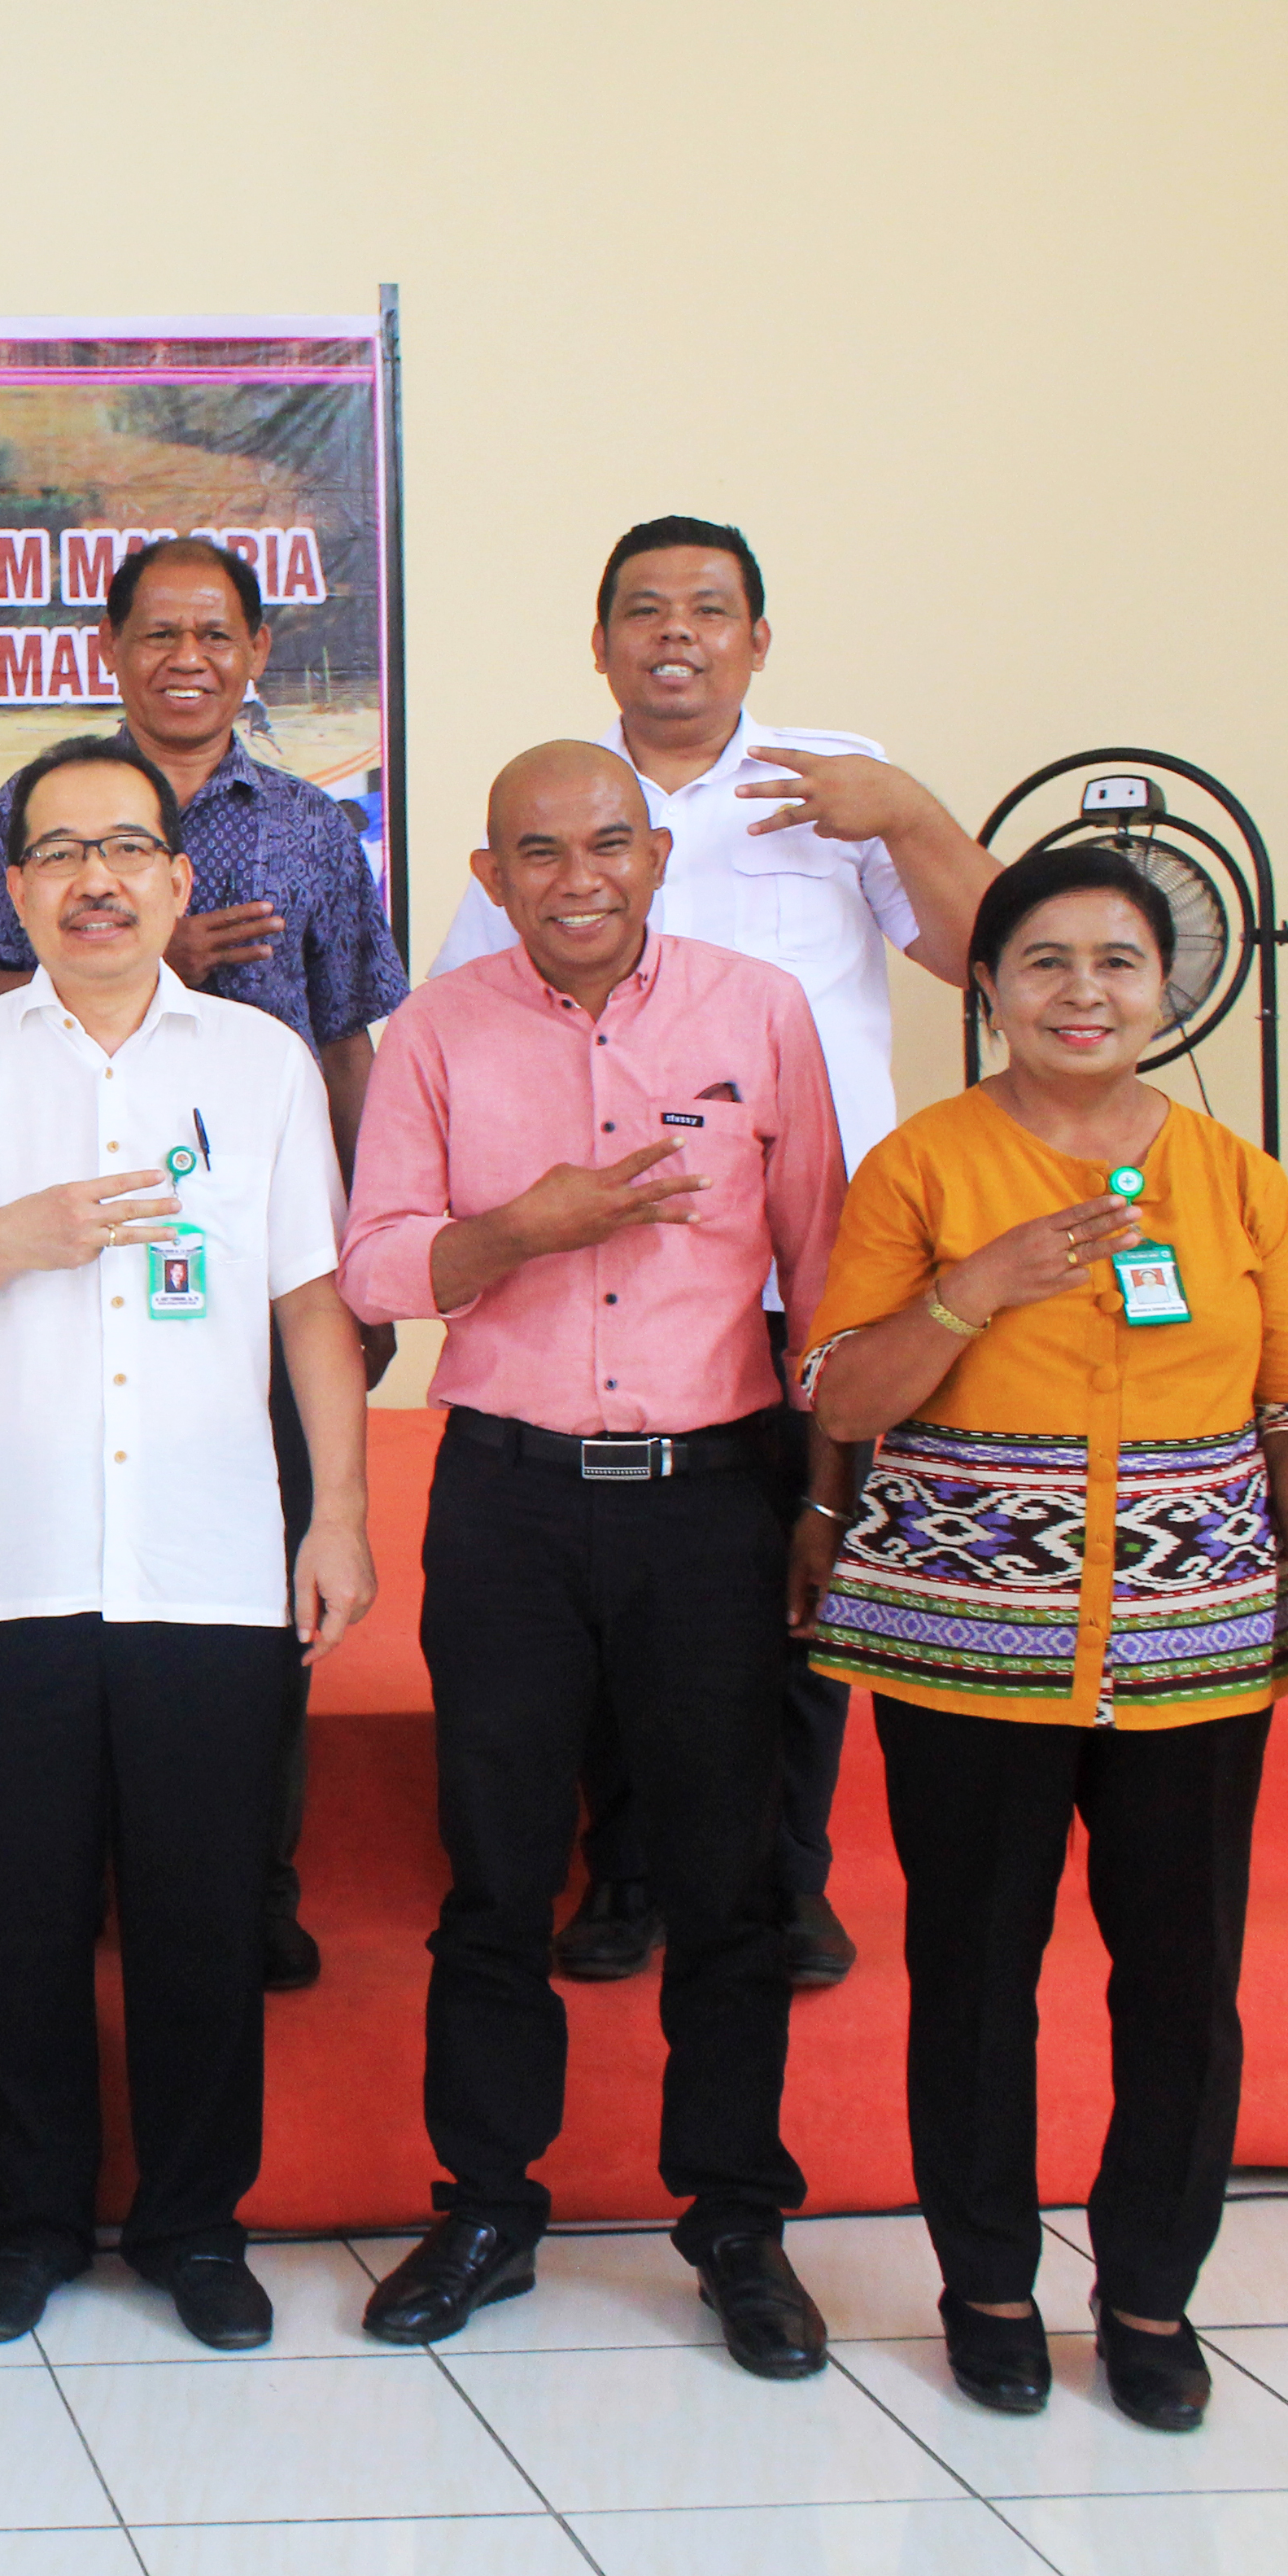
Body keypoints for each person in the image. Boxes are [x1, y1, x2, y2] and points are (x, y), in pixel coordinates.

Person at [799, 843, 1288, 2435]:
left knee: (1183, 1985)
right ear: (984, 986)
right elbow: (841, 1397)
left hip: (1194, 1662)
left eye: (1117, 961)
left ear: (1169, 988)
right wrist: (972, 1292)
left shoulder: (1239, 1181)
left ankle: (1147, 2298)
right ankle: (985, 2286)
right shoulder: (924, 1168)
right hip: (967, 1658)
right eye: (1043, 961)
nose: (1082, 992)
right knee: (973, 1975)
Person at [0, 735, 379, 2351]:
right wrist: (15, 1238)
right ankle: (28, 2220)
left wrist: (338, 1513)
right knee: (10, 1912)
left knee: (204, 1913)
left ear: (174, 880)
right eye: (60, 853)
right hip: (4, 1556)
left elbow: (309, 1302)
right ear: (15, 890)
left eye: (127, 851)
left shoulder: (261, 1066)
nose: (96, 880)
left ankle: (196, 2227)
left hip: (208, 1555)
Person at [425, 517, 1002, 1990]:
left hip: (814, 1265)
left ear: (756, 637)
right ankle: (621, 1873)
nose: (673, 633)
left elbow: (988, 955)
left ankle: (775, 1879)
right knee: (621, 1591)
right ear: (600, 642)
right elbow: (458, 1020)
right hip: (608, 1289)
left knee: (797, 1578)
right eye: (641, 610)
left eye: (707, 609)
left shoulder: (832, 785)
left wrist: (910, 813)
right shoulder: (561, 807)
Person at [336, 742, 843, 2377]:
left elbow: (827, 1268)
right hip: (510, 1501)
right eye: (539, 852)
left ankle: (738, 2225)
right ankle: (487, 2202)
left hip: (713, 1495)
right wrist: (523, 1230)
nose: (578, 879)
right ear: (490, 877)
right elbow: (380, 1265)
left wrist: (828, 1504)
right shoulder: (438, 1029)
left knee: (728, 1878)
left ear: (656, 856)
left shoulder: (760, 1013)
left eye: (609, 844)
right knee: (495, 1875)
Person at [0, 536, 409, 1992]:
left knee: (240, 1589)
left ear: (255, 652)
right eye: (155, 631)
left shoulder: (317, 830)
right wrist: (154, 953)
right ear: (109, 647)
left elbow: (345, 1037)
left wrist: (357, 1259)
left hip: (251, 1255)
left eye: (214, 631)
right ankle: (65, 1882)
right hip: (66, 1253)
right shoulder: (35, 812)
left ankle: (240, 1879)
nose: (184, 656)